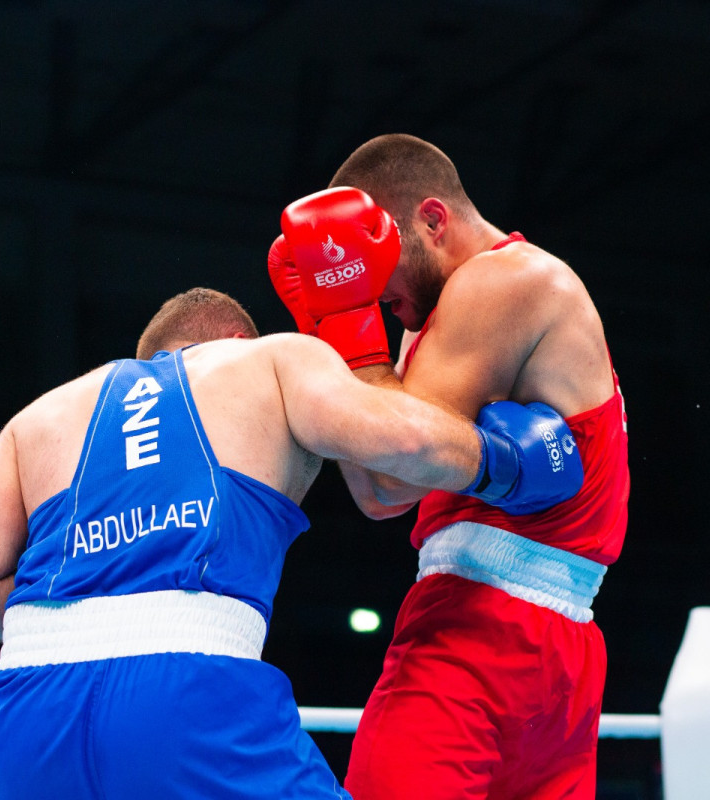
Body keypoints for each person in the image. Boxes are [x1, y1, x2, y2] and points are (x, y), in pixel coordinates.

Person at [0, 287, 584, 800]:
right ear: (236, 339)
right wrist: (505, 463)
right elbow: (403, 443)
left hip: (25, 714)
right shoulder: (269, 359)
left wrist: (85, 618)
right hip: (186, 695)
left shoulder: (43, 413)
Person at [268, 134, 630, 799]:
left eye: (377, 262)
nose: (376, 294)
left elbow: (395, 467)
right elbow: (379, 496)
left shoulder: (504, 279)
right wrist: (333, 329)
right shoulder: (432, 320)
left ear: (432, 222)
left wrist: (341, 322)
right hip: (557, 653)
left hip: (479, 632)